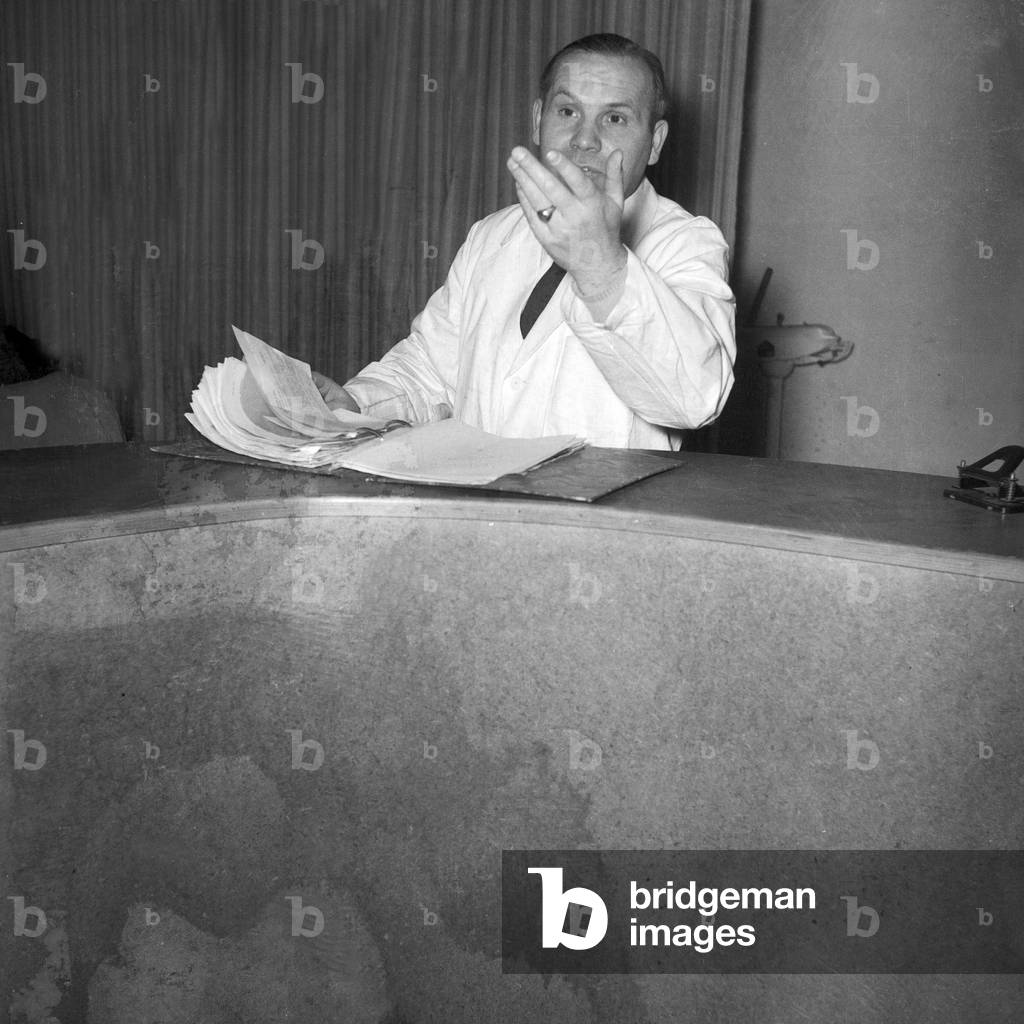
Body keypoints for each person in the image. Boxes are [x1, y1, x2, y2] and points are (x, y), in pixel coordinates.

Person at [314, 33, 735, 449]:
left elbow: (696, 399)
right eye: (567, 111)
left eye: (615, 118)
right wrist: (357, 404)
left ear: (655, 142)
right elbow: (430, 368)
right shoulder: (491, 235)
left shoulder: (686, 242)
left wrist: (600, 265)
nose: (584, 139)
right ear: (537, 120)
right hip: (476, 490)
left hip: (604, 497)